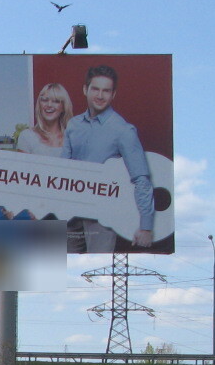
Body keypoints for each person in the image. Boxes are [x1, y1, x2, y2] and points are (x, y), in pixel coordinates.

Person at [65, 65, 154, 252]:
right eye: (95, 89)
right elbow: (60, 170)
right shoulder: (73, 126)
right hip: (70, 217)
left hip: (102, 218)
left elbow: (141, 179)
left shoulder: (123, 130)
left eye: (106, 91)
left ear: (113, 94)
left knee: (98, 270)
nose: (100, 95)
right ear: (85, 90)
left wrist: (146, 226)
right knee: (65, 276)